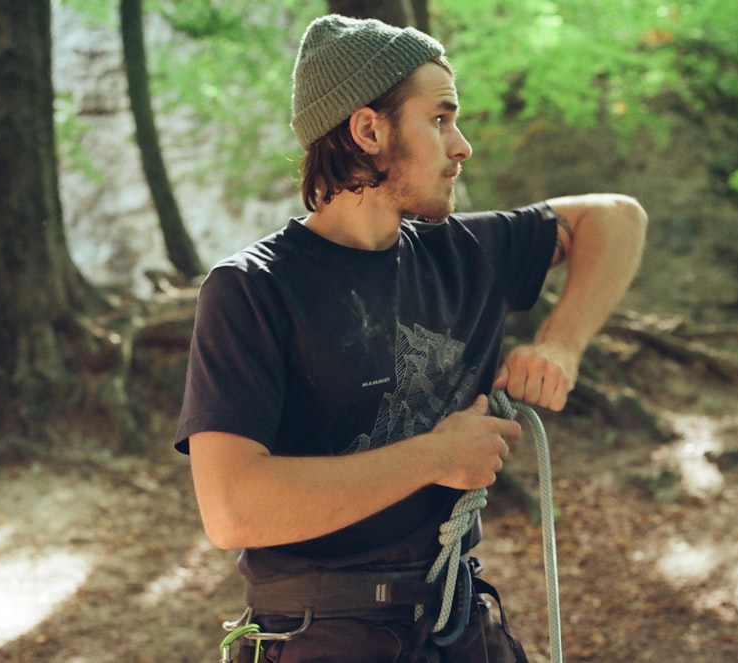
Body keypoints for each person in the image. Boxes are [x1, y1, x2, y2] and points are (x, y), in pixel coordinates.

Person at [174, 14, 647, 663]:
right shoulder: (251, 289)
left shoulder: (468, 253)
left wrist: (561, 342)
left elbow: (617, 219)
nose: (462, 145)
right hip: (320, 637)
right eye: (440, 118)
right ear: (369, 130)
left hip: (457, 623)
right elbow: (232, 510)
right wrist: (434, 457)